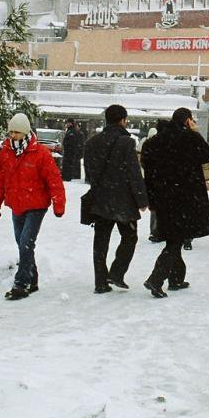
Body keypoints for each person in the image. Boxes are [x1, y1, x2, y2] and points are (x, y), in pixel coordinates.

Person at [140, 107, 209, 297]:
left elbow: (147, 167)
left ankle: (176, 279)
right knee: (176, 240)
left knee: (174, 236)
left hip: (163, 197)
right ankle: (156, 279)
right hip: (186, 197)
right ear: (188, 120)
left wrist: (152, 196)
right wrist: (195, 132)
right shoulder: (189, 137)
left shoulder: (154, 141)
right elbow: (207, 155)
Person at [0, 113, 66, 300]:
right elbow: (0, 179)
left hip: (36, 205)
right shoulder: (5, 152)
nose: (13, 135)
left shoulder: (40, 153)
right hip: (16, 204)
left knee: (26, 242)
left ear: (25, 132)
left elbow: (54, 180)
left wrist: (59, 204)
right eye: (11, 132)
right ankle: (32, 279)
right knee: (22, 243)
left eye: (16, 132)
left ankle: (21, 284)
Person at [82, 104, 149, 294]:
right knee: (130, 237)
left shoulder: (92, 142)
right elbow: (134, 173)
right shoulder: (126, 142)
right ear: (123, 120)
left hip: (100, 199)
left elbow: (89, 173)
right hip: (123, 201)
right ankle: (117, 273)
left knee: (100, 241)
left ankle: (100, 281)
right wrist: (142, 200)